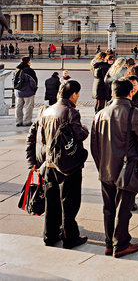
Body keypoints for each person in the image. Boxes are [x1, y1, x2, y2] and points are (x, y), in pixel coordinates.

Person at [91, 79, 138, 258]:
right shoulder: (134, 113)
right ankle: (121, 244)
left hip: (106, 167)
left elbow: (94, 146)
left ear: (112, 93)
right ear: (130, 93)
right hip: (128, 167)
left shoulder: (100, 114)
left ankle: (109, 243)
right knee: (124, 208)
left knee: (109, 207)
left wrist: (101, 165)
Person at [26, 80, 89, 248]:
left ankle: (50, 235)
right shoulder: (70, 112)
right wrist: (85, 129)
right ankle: (70, 237)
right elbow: (79, 135)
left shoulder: (47, 111)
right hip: (67, 164)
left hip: (49, 162)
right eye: (78, 94)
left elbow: (42, 138)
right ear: (74, 94)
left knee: (52, 201)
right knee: (70, 201)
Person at [14, 57, 38, 127]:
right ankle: (27, 121)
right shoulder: (29, 70)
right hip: (28, 92)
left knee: (18, 107)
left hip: (18, 92)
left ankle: (18, 121)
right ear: (28, 62)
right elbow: (33, 82)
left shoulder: (17, 70)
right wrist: (34, 89)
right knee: (28, 106)